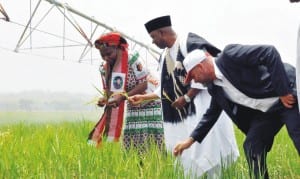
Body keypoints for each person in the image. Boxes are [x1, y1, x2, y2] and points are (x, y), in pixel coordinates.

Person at [129, 15, 239, 178]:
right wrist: (144, 97)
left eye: (153, 37)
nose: (152, 41)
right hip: (180, 120)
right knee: (186, 158)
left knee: (210, 152)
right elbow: (165, 86)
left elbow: (208, 71)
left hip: (202, 110)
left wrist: (187, 97)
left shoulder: (189, 44)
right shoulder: (164, 56)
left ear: (162, 33)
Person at [173, 44, 300, 179]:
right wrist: (190, 141)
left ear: (200, 68)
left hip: (287, 95)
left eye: (193, 76)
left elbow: (270, 52)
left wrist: (283, 91)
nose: (195, 81)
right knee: (252, 145)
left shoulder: (229, 56)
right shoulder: (214, 88)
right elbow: (211, 114)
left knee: (297, 135)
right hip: (268, 111)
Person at [88, 32, 164, 153]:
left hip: (150, 101)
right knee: (133, 143)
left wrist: (122, 97)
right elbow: (108, 92)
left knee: (153, 142)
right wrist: (104, 100)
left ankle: (157, 166)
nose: (106, 58)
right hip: (133, 103)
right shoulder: (104, 68)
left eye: (109, 54)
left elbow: (144, 83)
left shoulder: (131, 58)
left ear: (118, 48)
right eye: (103, 56)